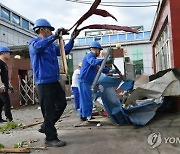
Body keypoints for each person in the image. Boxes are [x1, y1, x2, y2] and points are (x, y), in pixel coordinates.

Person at [29, 18, 79, 147]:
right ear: (42, 30)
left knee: (61, 103)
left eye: (52, 31)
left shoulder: (51, 45)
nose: (51, 33)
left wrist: (72, 39)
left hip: (54, 81)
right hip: (43, 82)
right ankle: (50, 138)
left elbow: (64, 51)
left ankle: (46, 125)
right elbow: (38, 49)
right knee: (48, 110)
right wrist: (54, 37)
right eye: (49, 30)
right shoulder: (34, 43)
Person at [78, 41, 109, 121]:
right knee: (87, 99)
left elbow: (101, 69)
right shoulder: (89, 56)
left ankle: (83, 115)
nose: (99, 52)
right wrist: (104, 59)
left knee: (84, 99)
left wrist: (110, 69)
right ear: (95, 49)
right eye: (99, 50)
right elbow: (93, 62)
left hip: (87, 81)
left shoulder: (94, 58)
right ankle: (87, 115)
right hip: (84, 81)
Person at [0, 46, 13, 123]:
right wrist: (1, 85)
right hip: (2, 86)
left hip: (4, 85)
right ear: (4, 53)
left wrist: (9, 85)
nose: (9, 55)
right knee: (6, 101)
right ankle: (9, 118)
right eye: (8, 53)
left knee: (1, 102)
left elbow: (5, 76)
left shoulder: (4, 64)